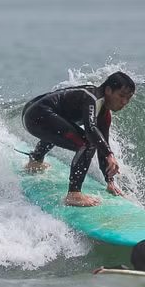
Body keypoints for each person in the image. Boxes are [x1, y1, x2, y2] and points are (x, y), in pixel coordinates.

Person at [21, 71, 135, 207]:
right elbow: (91, 130)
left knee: (63, 129)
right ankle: (74, 194)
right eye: (121, 96)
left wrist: (109, 180)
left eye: (128, 98)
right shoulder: (92, 98)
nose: (124, 102)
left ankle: (35, 161)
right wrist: (110, 155)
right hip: (36, 115)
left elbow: (102, 143)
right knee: (87, 144)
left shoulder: (104, 113)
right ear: (108, 90)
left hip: (34, 114)